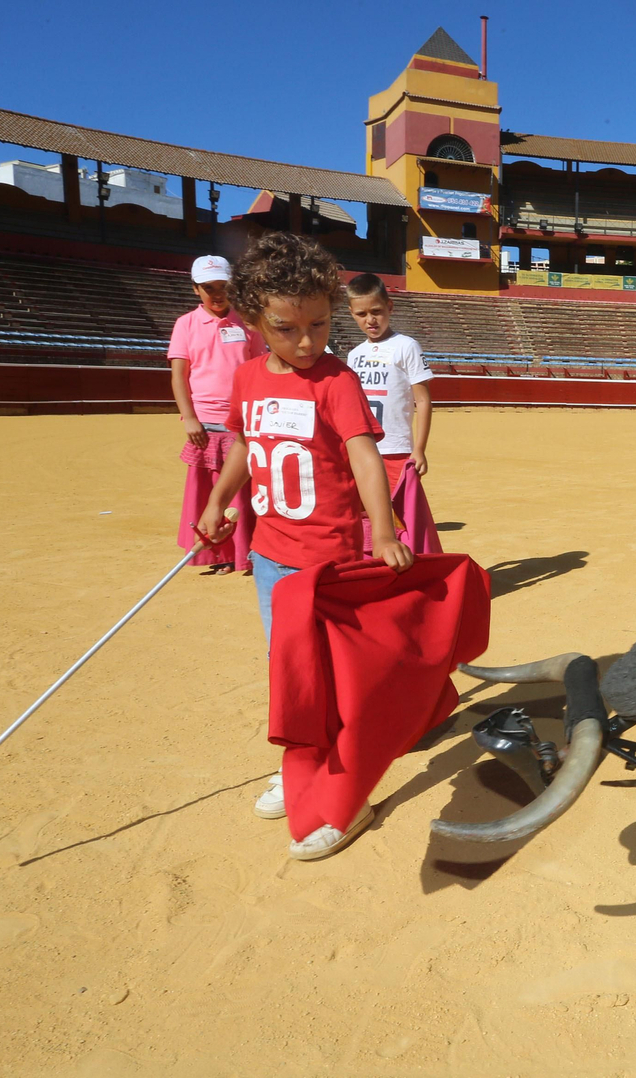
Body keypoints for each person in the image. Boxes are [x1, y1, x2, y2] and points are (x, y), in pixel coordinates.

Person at [196, 232, 414, 861]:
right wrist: (218, 501)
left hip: (328, 561)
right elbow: (244, 447)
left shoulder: (336, 380)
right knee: (290, 671)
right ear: (254, 319)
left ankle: (346, 791)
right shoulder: (246, 379)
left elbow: (364, 456)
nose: (307, 342)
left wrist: (382, 530)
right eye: (287, 329)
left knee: (330, 676)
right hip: (270, 557)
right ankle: (302, 766)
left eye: (319, 325)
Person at [168, 255, 264, 574]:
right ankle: (217, 554)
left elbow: (259, 369)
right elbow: (179, 376)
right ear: (196, 289)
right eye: (209, 287)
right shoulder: (186, 324)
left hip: (241, 422)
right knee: (207, 493)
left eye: (223, 286)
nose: (217, 293)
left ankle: (244, 553)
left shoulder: (248, 323)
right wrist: (190, 418)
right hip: (205, 424)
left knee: (241, 494)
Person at [346, 273, 442, 554]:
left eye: (376, 311)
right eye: (361, 314)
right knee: (366, 516)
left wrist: (419, 449)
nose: (370, 320)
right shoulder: (354, 355)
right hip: (363, 450)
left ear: (389, 307)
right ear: (352, 314)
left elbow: (423, 400)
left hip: (396, 449)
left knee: (401, 519)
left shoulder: (406, 346)